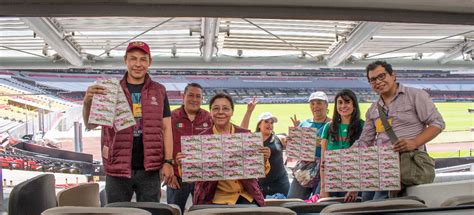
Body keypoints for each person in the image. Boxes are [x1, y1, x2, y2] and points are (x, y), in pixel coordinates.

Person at [82, 41, 174, 203]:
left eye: (143, 59)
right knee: (117, 212)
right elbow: (90, 125)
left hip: (150, 169)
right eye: (133, 59)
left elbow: (166, 128)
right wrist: (87, 103)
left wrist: (168, 162)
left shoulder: (159, 90)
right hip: (117, 167)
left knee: (150, 212)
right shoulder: (109, 90)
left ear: (149, 62)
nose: (138, 64)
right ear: (126, 60)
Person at [357, 61, 445, 201]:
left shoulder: (415, 95)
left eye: (382, 76)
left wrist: (414, 142)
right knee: (365, 203)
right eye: (373, 79)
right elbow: (364, 142)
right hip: (380, 170)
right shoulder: (373, 110)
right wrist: (340, 158)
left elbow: (438, 123)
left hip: (408, 167)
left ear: (393, 75)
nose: (378, 81)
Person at [177, 93, 271, 206]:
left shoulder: (245, 135)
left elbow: (263, 171)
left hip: (245, 196)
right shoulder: (200, 140)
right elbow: (190, 179)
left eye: (225, 108)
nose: (220, 112)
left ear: (232, 112)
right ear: (210, 112)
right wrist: (183, 164)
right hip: (212, 199)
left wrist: (264, 158)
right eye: (216, 108)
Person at [167, 83, 213, 212]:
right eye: (191, 95)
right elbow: (162, 144)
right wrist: (168, 170)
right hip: (177, 178)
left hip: (203, 178)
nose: (194, 99)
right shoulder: (171, 117)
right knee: (174, 211)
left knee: (203, 212)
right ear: (183, 96)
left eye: (198, 96)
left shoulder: (208, 117)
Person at [319, 89, 364, 202]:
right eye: (340, 102)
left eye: (347, 102)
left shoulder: (363, 126)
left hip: (354, 183)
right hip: (331, 181)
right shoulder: (329, 127)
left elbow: (365, 160)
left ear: (354, 105)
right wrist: (323, 187)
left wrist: (355, 187)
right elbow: (323, 161)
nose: (343, 106)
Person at [287, 91, 331, 199]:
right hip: (304, 168)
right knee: (293, 200)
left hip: (324, 169)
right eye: (312, 103)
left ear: (326, 105)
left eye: (319, 103)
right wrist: (292, 142)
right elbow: (297, 151)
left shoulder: (333, 124)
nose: (315, 106)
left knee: (319, 201)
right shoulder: (304, 124)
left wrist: (323, 143)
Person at [255, 112, 290, 197]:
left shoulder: (279, 138)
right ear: (259, 125)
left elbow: (294, 146)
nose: (270, 125)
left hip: (281, 184)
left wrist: (292, 139)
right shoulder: (253, 141)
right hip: (261, 186)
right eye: (266, 122)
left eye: (272, 123)